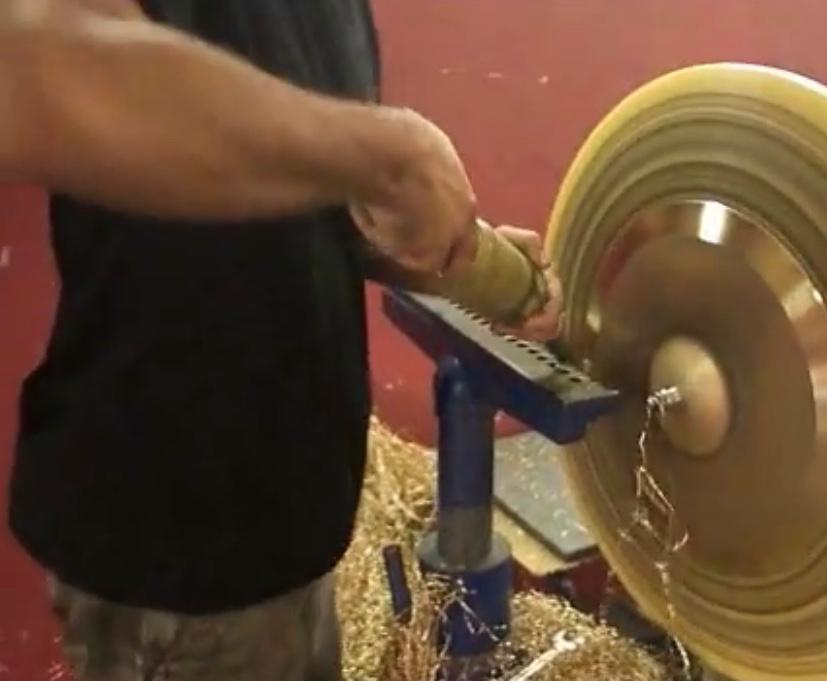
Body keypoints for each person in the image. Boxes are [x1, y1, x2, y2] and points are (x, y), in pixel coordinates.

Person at [1, 1, 561, 679]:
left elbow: (311, 194)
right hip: (174, 549)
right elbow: (43, 76)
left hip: (288, 533)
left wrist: (468, 262)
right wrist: (389, 155)